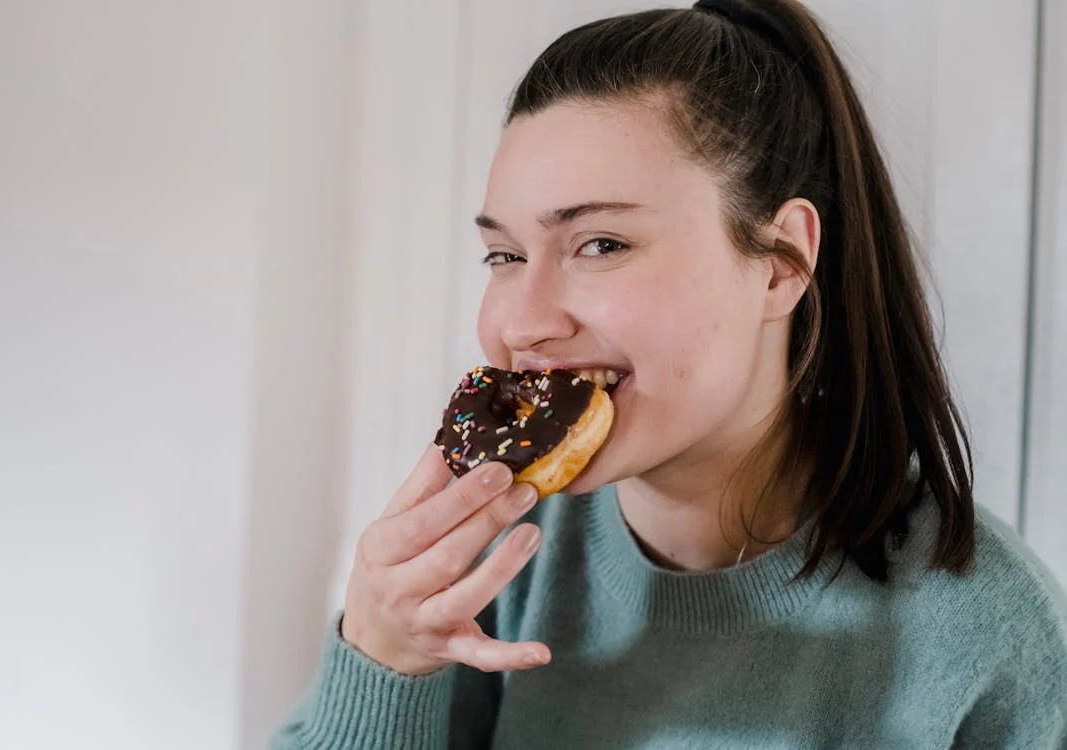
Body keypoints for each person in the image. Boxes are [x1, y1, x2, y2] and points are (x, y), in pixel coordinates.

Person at [272, 0, 1067, 747]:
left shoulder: (987, 631)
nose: (521, 323)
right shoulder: (496, 562)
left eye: (600, 245)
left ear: (780, 264)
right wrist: (378, 659)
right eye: (505, 256)